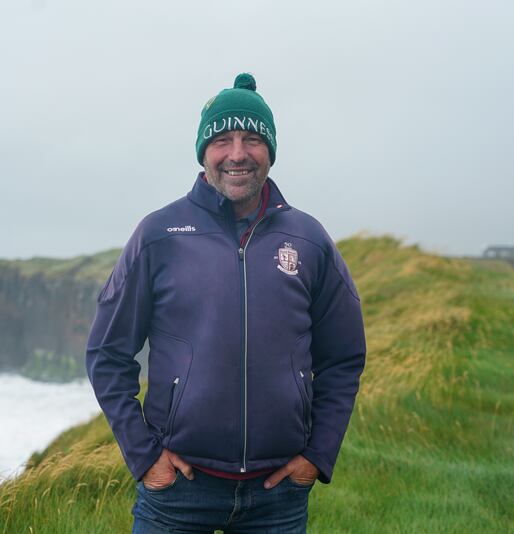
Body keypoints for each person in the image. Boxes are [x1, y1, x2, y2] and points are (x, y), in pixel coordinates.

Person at [86, 73, 366, 533]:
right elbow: (107, 354)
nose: (237, 153)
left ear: (270, 151)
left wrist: (316, 456)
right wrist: (145, 456)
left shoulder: (309, 240)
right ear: (203, 152)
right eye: (222, 140)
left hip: (277, 498)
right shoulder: (159, 235)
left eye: (252, 139)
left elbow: (344, 358)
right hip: (177, 493)